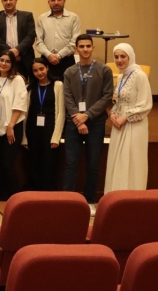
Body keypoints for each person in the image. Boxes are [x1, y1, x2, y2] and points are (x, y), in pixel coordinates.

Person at [62, 34, 113, 216]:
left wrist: (87, 116)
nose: (85, 49)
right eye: (81, 46)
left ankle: (90, 200)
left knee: (93, 164)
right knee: (71, 163)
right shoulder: (69, 72)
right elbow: (67, 97)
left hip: (96, 123)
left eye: (88, 46)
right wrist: (78, 119)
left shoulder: (104, 70)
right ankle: (68, 200)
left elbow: (107, 96)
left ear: (93, 47)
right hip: (73, 123)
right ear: (76, 49)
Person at [105, 43, 152, 193]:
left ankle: (132, 199)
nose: (119, 60)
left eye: (123, 56)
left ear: (130, 57)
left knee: (132, 160)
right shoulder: (120, 77)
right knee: (118, 160)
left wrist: (125, 117)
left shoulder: (140, 76)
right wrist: (113, 113)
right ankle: (116, 197)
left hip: (134, 124)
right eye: (116, 57)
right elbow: (118, 102)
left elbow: (145, 104)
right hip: (119, 124)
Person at [0, 50, 27, 201]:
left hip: (12, 126)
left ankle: (17, 196)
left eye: (7, 61)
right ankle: (2, 196)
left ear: (12, 64)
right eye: (1, 60)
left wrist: (11, 125)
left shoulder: (17, 80)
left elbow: (20, 103)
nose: (3, 63)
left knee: (8, 163)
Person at [23, 57, 65, 191]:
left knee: (49, 164)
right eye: (35, 70)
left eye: (41, 69)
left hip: (50, 129)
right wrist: (24, 137)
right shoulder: (29, 87)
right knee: (33, 163)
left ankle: (48, 195)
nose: (39, 73)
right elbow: (25, 114)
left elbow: (61, 112)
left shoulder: (58, 85)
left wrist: (56, 137)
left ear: (47, 68)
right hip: (32, 130)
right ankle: (34, 195)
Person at [0, 0, 36, 80]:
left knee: (23, 85)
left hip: (23, 59)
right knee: (1, 85)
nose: (8, 2)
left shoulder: (27, 16)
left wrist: (18, 50)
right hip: (1, 60)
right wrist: (10, 53)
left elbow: (30, 36)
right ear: (2, 1)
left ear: (16, 0)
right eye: (5, 0)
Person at [34, 0, 81, 80]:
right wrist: (49, 55)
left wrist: (59, 55)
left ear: (64, 1)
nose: (56, 2)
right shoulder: (42, 18)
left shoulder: (73, 18)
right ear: (49, 2)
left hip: (67, 60)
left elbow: (75, 41)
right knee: (47, 87)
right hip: (46, 60)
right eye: (53, 0)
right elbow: (39, 42)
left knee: (67, 86)